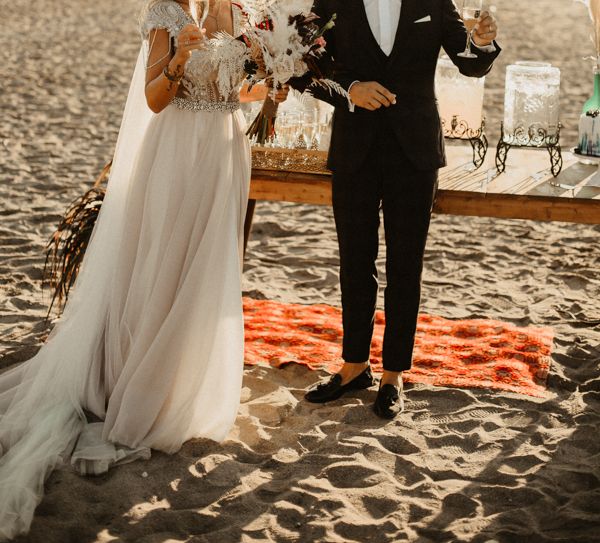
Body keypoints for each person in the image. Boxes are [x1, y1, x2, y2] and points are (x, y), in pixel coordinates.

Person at [0, 1, 288, 538]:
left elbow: (238, 89)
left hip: (224, 154)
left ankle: (182, 376)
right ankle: (140, 384)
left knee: (200, 272)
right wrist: (178, 57)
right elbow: (155, 99)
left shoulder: (242, 11)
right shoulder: (167, 12)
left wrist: (271, 86)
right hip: (177, 152)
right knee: (163, 267)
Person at [294, 0, 501, 418]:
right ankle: (354, 365)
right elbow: (300, 67)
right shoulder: (330, 0)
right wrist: (349, 90)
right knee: (355, 260)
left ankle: (393, 374)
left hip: (415, 150)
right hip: (356, 148)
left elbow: (469, 63)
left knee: (406, 265)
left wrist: (482, 43)